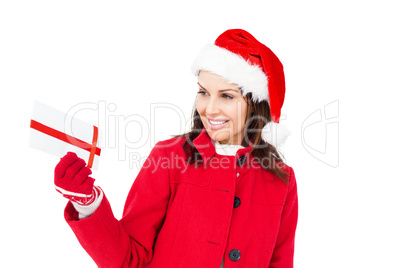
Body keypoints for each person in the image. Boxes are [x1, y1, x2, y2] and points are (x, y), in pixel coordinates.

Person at [54, 29, 298, 267]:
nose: (210, 109)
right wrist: (88, 205)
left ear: (257, 104)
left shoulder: (282, 180)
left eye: (226, 96)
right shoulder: (169, 157)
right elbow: (129, 259)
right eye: (203, 92)